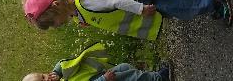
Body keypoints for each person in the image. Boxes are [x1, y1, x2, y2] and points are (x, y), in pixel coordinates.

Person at [22, 0, 232, 40]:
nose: (57, 26)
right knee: (177, 4)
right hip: (141, 2)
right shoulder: (77, 9)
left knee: (178, 3)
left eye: (54, 22)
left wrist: (139, 9)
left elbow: (115, 0)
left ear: (57, 5)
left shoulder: (84, 1)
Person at [21, 42, 171, 81]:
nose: (47, 78)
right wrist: (103, 79)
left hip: (100, 76)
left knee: (125, 68)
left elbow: (62, 64)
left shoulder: (57, 76)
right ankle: (159, 78)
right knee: (131, 77)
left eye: (43, 76)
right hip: (102, 79)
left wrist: (56, 72)